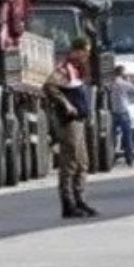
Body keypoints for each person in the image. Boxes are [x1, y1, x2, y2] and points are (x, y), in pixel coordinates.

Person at [43, 37, 98, 219]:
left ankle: (80, 199)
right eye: (84, 51)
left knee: (83, 162)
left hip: (80, 122)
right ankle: (68, 203)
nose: (86, 55)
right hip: (69, 123)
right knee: (70, 162)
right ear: (76, 50)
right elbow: (49, 86)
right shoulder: (64, 68)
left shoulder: (78, 70)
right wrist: (65, 104)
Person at [107, 66, 134, 166]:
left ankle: (111, 159)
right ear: (122, 73)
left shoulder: (110, 84)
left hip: (112, 113)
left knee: (111, 137)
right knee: (127, 136)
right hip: (123, 112)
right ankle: (130, 160)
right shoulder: (125, 84)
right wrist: (128, 81)